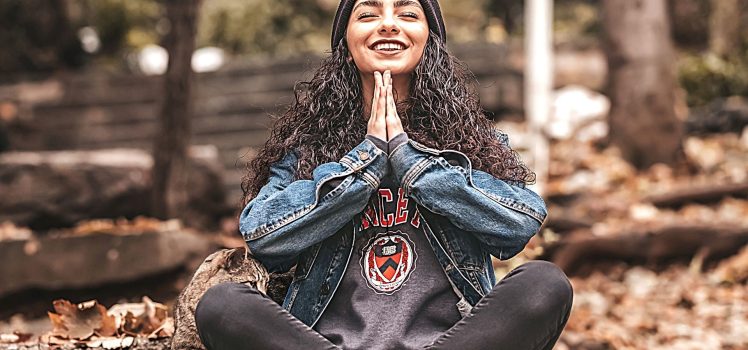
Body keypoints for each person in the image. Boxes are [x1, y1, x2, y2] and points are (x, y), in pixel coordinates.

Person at [195, 0, 573, 349]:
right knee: (222, 305)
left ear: (431, 41)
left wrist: (412, 163)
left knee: (545, 284)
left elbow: (519, 222)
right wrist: (366, 161)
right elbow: (262, 236)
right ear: (346, 40)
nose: (388, 24)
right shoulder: (307, 150)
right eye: (368, 14)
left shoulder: (473, 142)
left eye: (407, 14)